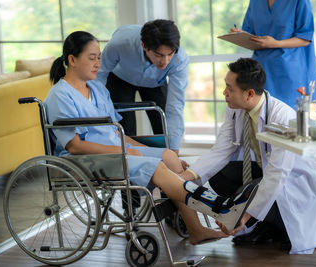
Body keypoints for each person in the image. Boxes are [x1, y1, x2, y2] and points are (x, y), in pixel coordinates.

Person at [44, 31, 258, 245]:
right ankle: (219, 208)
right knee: (156, 167)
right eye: (92, 58)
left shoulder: (98, 89)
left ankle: (196, 229)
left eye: (99, 57)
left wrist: (137, 148)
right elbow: (74, 145)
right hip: (87, 160)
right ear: (72, 60)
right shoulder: (59, 95)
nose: (98, 63)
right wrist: (123, 151)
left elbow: (117, 133)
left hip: (113, 152)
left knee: (167, 156)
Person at [181, 58, 316, 254]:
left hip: (294, 180)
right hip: (266, 170)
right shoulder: (235, 111)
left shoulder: (282, 118)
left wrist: (242, 217)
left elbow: (276, 175)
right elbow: (221, 151)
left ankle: (279, 227)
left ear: (249, 94)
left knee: (261, 189)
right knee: (221, 175)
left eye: (229, 88)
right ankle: (266, 225)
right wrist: (187, 176)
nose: (224, 93)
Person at [97, 19, 188, 154]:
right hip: (121, 78)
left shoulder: (180, 59)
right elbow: (99, 76)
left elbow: (175, 104)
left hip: (155, 82)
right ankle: (130, 163)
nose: (165, 61)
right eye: (159, 55)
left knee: (163, 126)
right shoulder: (119, 44)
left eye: (170, 54)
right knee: (125, 127)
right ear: (144, 46)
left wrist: (173, 150)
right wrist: (98, 110)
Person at [230, 0, 316, 109]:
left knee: (289, 120)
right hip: (261, 71)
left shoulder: (299, 1)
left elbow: (305, 38)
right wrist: (239, 35)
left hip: (288, 73)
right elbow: (251, 33)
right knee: (262, 118)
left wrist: (276, 43)